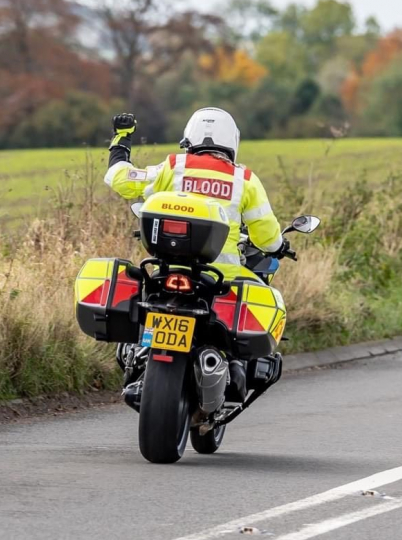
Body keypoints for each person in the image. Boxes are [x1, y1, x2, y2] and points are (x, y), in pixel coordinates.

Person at [104, 107, 289, 401]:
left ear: (188, 138)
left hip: (168, 269)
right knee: (255, 299)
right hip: (222, 276)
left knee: (144, 295)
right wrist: (280, 247)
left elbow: (119, 178)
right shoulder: (245, 180)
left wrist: (121, 140)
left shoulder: (172, 166)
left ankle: (140, 349)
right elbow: (266, 234)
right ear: (232, 143)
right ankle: (231, 365)